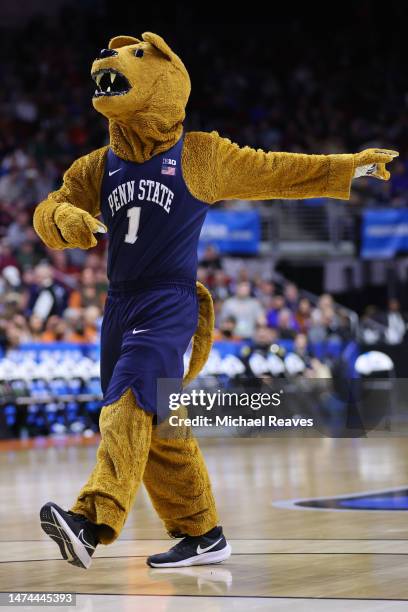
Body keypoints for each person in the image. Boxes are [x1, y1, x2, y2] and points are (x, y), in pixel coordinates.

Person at [33, 32, 398, 571]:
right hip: (119, 306)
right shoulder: (98, 165)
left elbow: (277, 170)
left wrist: (349, 167)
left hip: (168, 303)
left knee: (129, 402)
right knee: (158, 426)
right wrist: (65, 220)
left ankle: (92, 520)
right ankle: (203, 533)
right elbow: (50, 208)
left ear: (166, 82)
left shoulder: (200, 155)